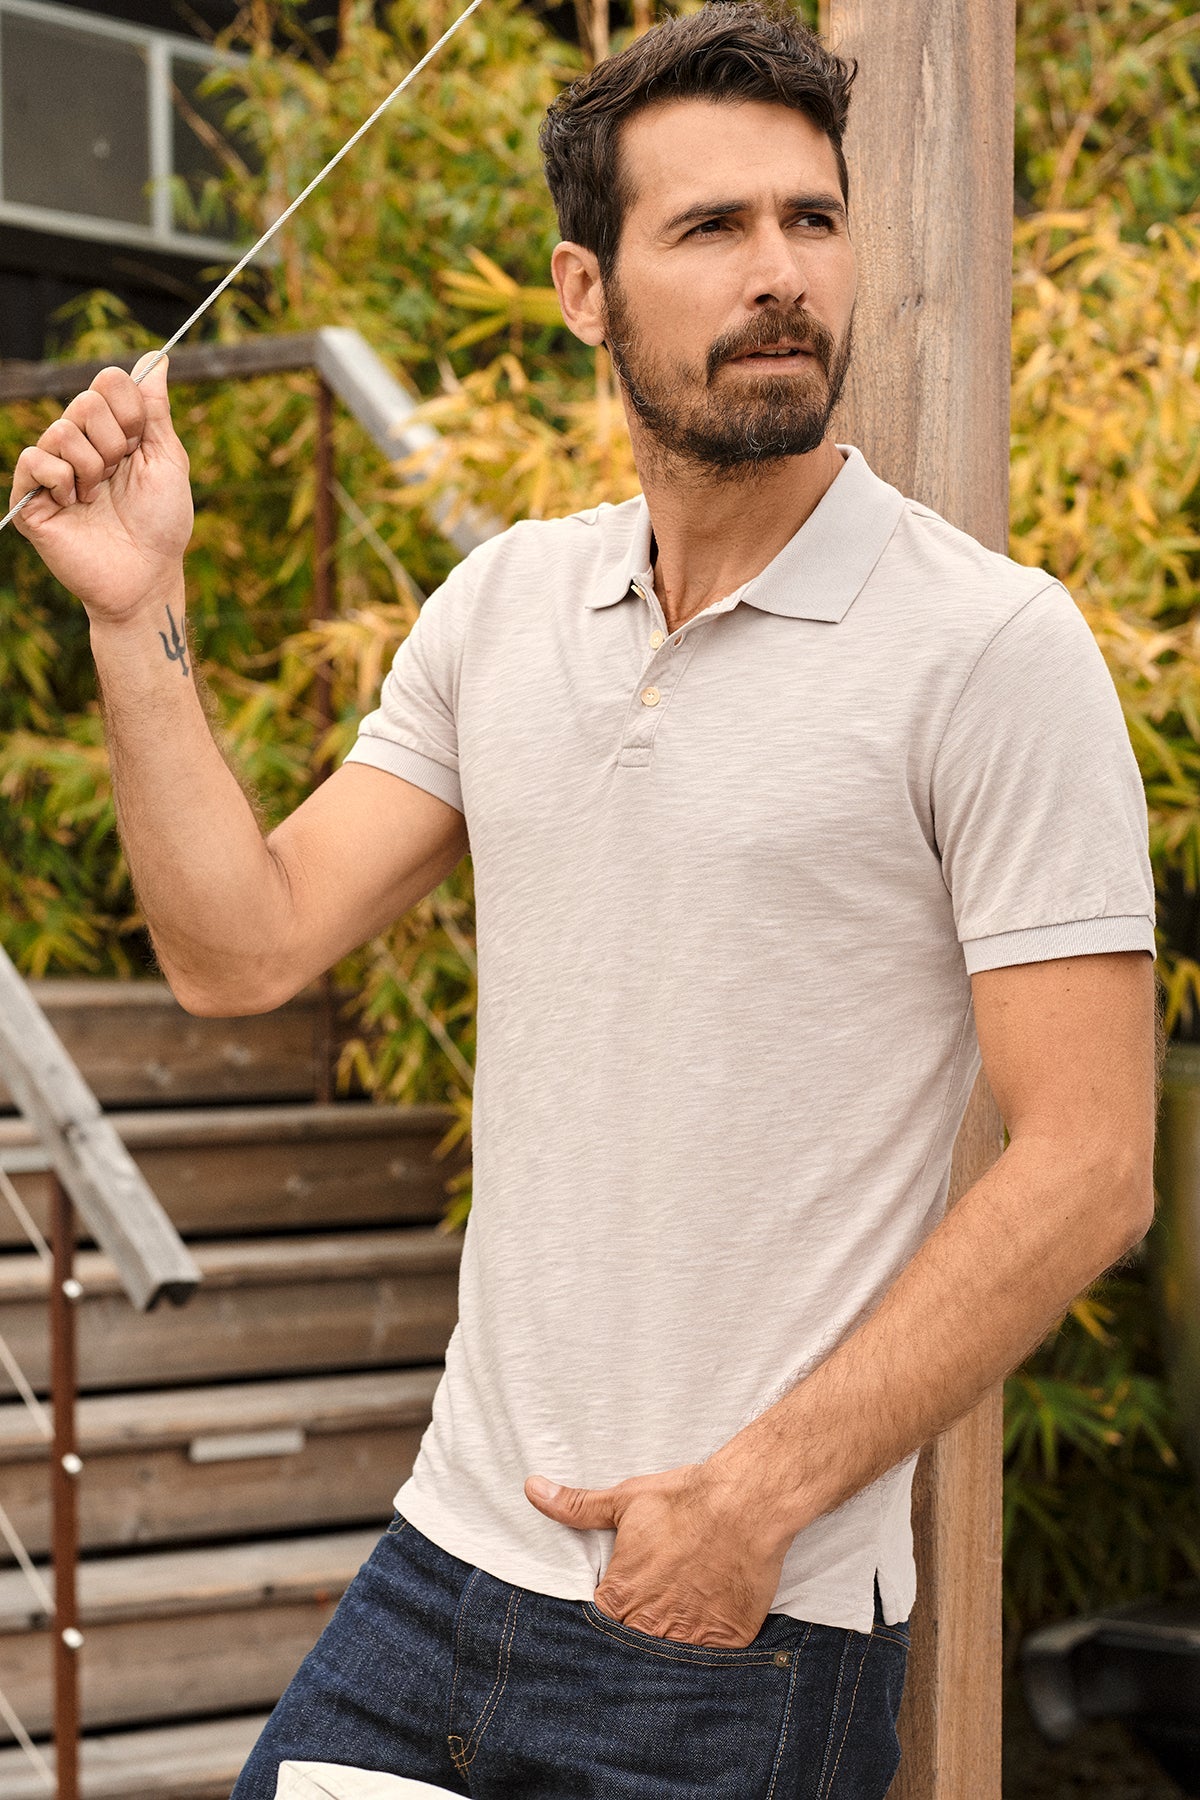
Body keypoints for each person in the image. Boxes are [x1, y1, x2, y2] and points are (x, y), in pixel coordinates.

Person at [10, 4, 1158, 1796]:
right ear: (582, 287)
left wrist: (752, 1504)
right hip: (443, 1569)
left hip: (739, 1624)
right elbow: (242, 950)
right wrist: (132, 618)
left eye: (811, 219)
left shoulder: (990, 651)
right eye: (711, 230)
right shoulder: (502, 612)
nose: (779, 274)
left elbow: (1090, 1163)